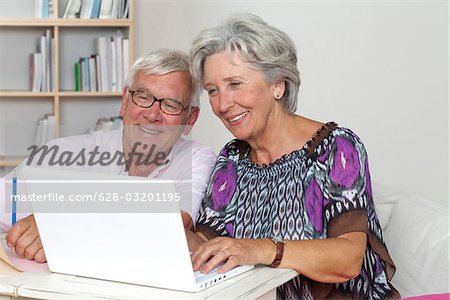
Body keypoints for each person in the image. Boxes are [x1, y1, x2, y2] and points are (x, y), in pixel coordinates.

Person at [187, 14, 399, 299]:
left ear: (278, 85)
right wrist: (168, 229)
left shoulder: (335, 147)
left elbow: (348, 258)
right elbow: (207, 245)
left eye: (235, 84)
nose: (223, 104)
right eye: (213, 90)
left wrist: (256, 249)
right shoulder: (232, 159)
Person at [1, 49, 216, 263]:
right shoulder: (63, 153)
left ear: (190, 119)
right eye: (143, 97)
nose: (152, 115)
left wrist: (58, 222)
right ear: (125, 101)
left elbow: (170, 227)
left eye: (171, 105)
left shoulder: (197, 158)